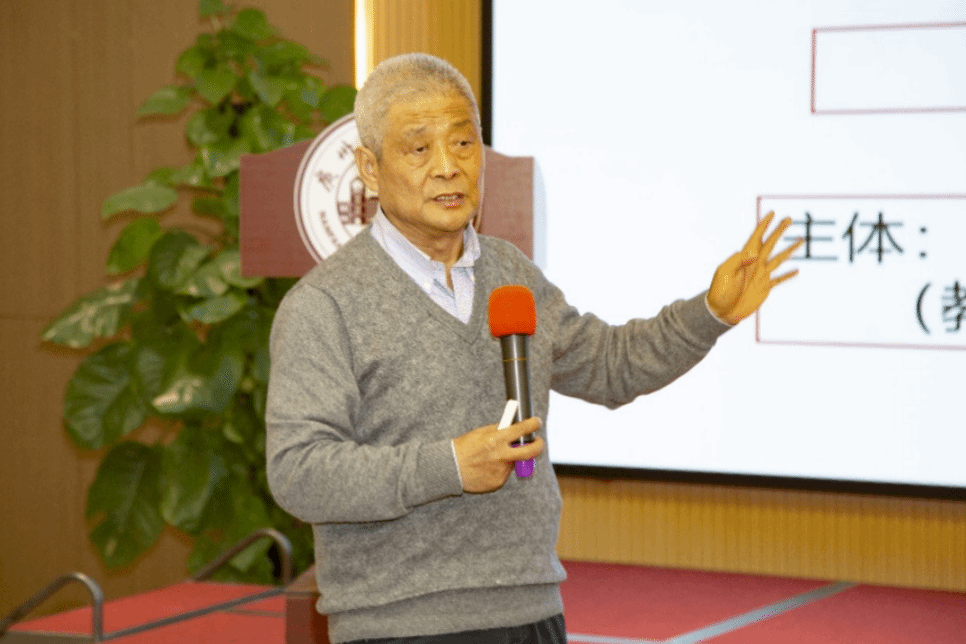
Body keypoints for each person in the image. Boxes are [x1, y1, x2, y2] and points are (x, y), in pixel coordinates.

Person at [266, 53, 800, 644]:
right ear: (370, 168)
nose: (447, 167)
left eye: (463, 144)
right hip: (398, 624)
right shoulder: (325, 304)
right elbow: (299, 472)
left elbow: (610, 367)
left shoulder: (510, 273)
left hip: (530, 609)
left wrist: (710, 313)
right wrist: (449, 467)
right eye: (419, 149)